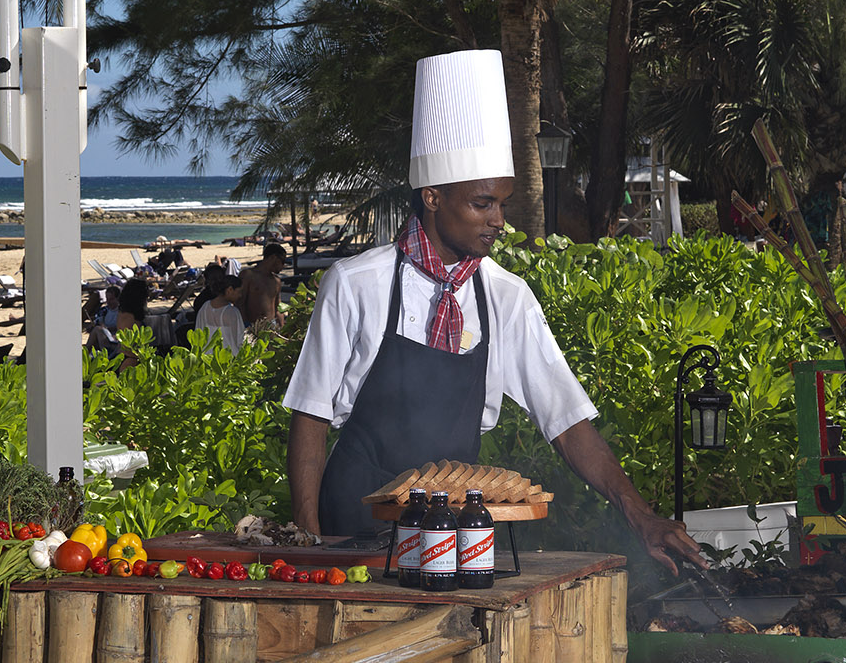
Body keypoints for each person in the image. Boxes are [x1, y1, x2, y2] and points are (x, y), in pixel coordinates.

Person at [283, 49, 703, 567]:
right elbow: (311, 417)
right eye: (483, 203)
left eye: (502, 203)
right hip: (352, 530)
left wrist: (641, 516)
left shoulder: (506, 296)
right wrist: (310, 546)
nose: (499, 219)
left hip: (452, 535)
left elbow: (568, 422)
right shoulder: (354, 284)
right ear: (433, 196)